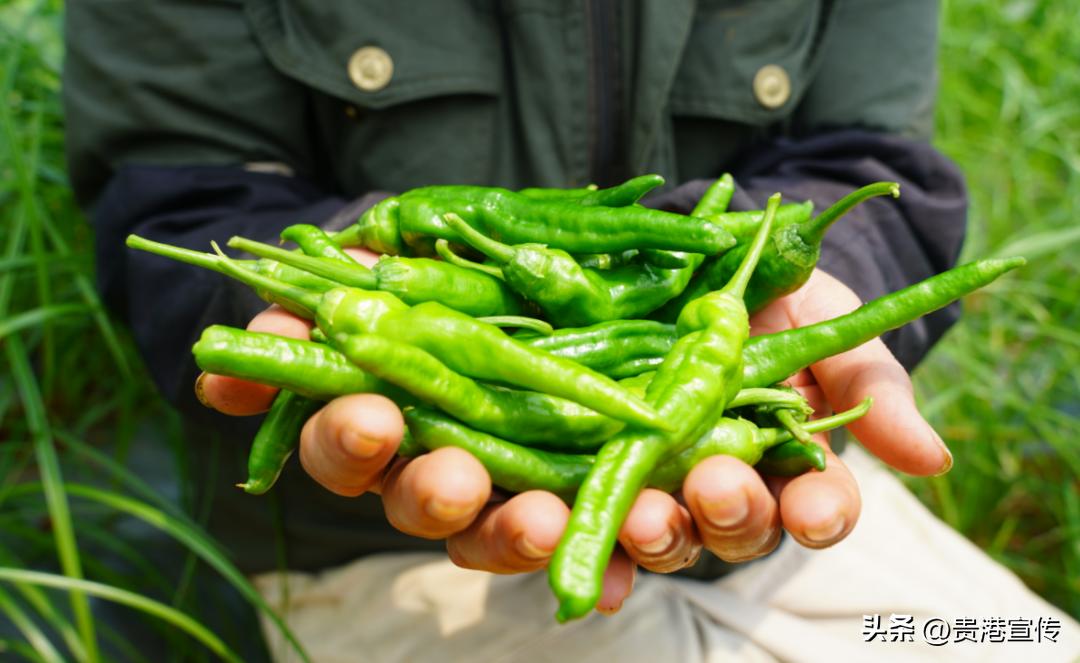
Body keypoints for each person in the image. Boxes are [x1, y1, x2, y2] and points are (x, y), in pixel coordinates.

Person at [64, 1, 1079, 660]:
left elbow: (871, 160)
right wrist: (327, 287)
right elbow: (175, 194)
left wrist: (822, 280)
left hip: (786, 490)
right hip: (369, 542)